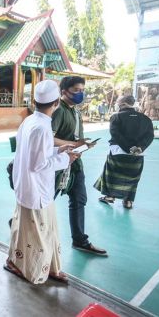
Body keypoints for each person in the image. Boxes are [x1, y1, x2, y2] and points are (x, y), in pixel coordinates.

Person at [4, 80, 78, 284]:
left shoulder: (30, 121)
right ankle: (22, 265)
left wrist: (59, 150)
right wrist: (66, 159)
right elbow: (38, 164)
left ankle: (49, 267)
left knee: (40, 230)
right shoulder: (42, 127)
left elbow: (36, 153)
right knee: (36, 235)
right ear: (56, 103)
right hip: (35, 189)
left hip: (31, 187)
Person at [52, 76, 107, 256]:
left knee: (78, 200)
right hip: (58, 164)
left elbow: (75, 138)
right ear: (64, 91)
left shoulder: (75, 111)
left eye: (82, 90)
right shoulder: (59, 110)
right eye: (76, 90)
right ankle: (18, 222)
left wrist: (83, 145)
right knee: (43, 200)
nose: (80, 93)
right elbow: (49, 139)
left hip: (75, 163)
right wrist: (73, 144)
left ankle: (80, 240)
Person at [95, 95, 154, 209]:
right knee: (132, 177)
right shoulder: (145, 118)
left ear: (122, 104)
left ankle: (109, 196)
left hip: (118, 153)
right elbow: (150, 136)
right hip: (138, 154)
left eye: (117, 101)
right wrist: (140, 148)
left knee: (111, 174)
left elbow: (115, 134)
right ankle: (128, 201)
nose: (116, 103)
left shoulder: (116, 117)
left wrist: (128, 148)